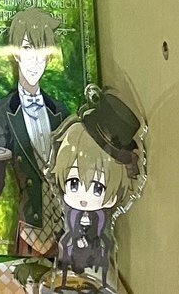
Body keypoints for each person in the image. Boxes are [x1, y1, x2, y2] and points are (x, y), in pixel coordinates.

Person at [0, 8, 70, 256]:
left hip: (67, 225)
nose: (35, 60)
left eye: (42, 51)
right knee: (27, 275)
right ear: (15, 52)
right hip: (31, 228)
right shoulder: (4, 110)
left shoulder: (60, 111)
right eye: (27, 48)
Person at [50, 93, 143, 291]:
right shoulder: (68, 217)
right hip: (68, 265)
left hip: (97, 268)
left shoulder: (103, 222)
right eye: (74, 183)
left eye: (98, 188)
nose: (83, 197)